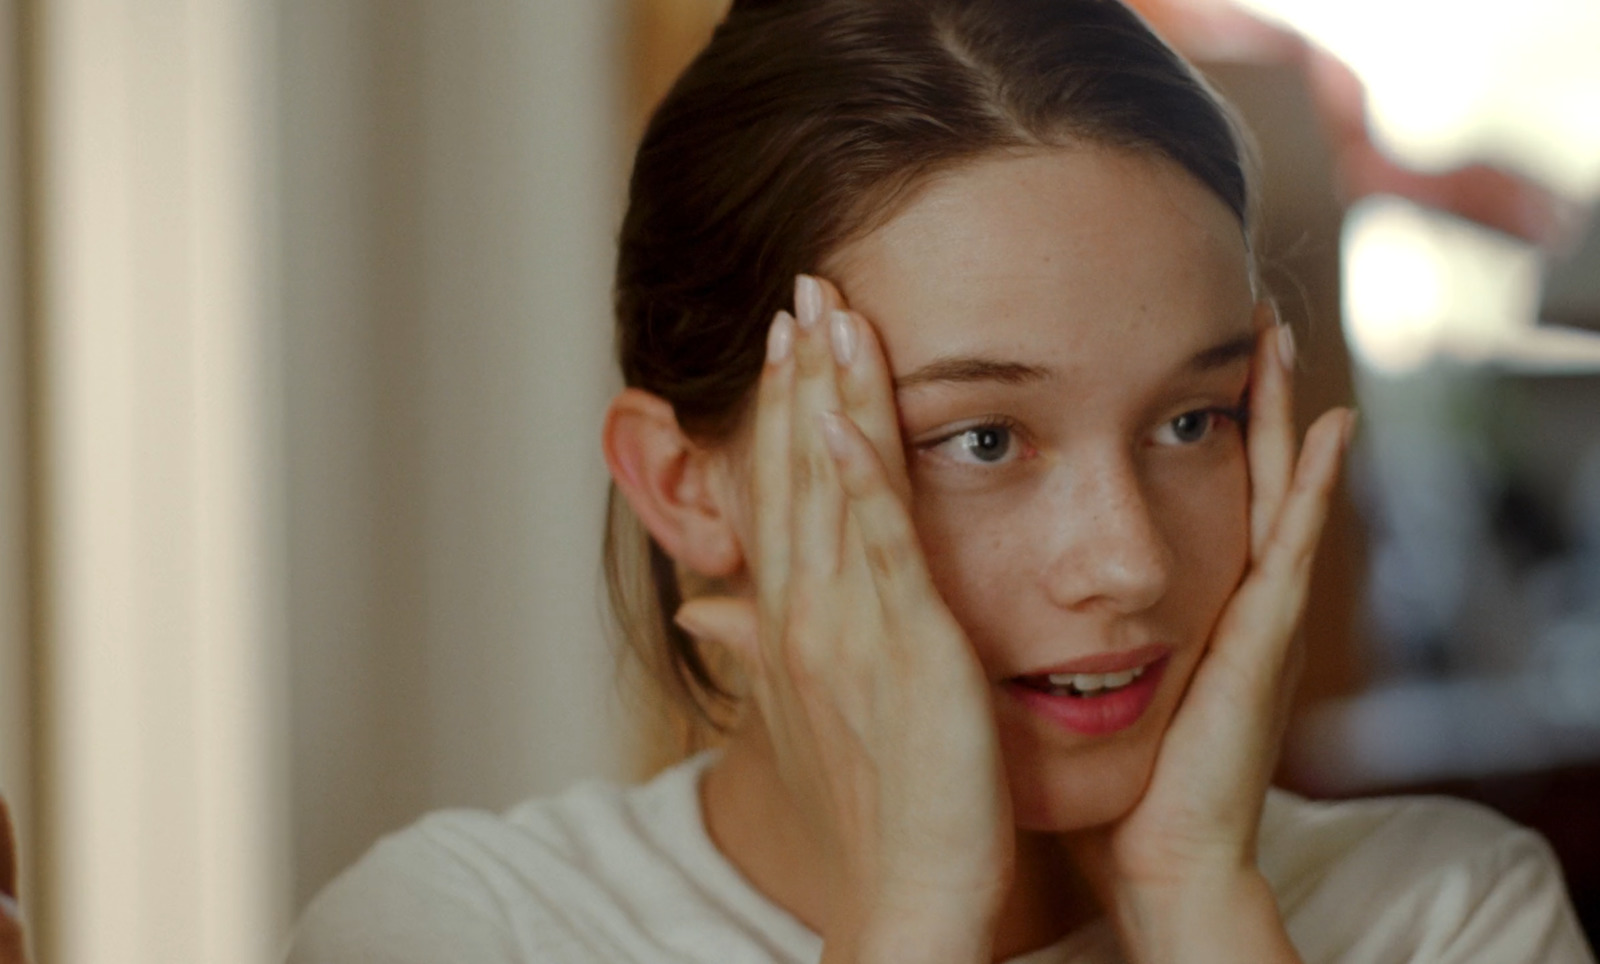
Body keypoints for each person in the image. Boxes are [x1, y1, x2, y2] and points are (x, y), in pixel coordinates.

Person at [287, 0, 1595, 961]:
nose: (1128, 563)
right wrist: (914, 914)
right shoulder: (467, 931)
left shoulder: (1446, 916)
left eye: (1192, 422)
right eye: (980, 440)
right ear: (687, 487)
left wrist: (1201, 907)